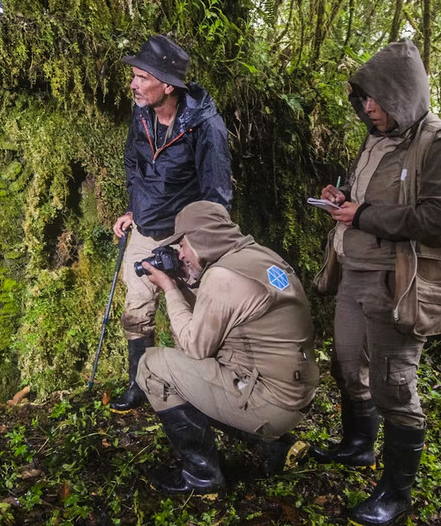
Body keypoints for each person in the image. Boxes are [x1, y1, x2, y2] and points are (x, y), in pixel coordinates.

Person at [312, 40, 441, 526]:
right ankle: (358, 445)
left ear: (403, 95)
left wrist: (364, 214)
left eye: (376, 99)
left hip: (398, 282)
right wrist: (342, 198)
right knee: (347, 365)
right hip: (354, 273)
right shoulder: (375, 139)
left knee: (392, 383)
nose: (368, 107)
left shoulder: (439, 142)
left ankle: (396, 493)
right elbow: (365, 200)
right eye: (363, 99)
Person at [135, 201, 319, 495]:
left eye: (182, 244)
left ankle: (201, 476)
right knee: (195, 373)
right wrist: (188, 284)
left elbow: (195, 347)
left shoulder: (223, 277)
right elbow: (229, 315)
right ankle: (273, 444)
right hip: (295, 392)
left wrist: (170, 289)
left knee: (153, 367)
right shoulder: (259, 256)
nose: (180, 253)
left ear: (199, 238)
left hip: (271, 403)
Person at [109, 35, 233, 413]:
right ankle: (139, 385)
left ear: (168, 85)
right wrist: (135, 208)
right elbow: (134, 164)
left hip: (186, 234)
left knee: (194, 317)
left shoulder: (205, 127)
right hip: (146, 228)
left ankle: (199, 392)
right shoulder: (142, 112)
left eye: (141, 77)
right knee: (136, 308)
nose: (133, 85)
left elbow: (217, 196)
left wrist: (196, 246)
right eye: (133, 76)